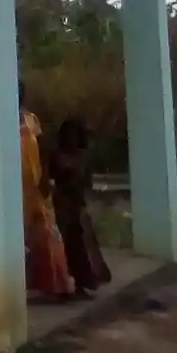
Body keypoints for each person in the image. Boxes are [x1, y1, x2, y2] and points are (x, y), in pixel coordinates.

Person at [19, 81, 75, 300]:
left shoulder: (31, 119)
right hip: (15, 186)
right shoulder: (0, 120)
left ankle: (57, 283)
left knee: (46, 229)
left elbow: (43, 150)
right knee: (22, 235)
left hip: (35, 184)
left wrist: (45, 177)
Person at [49, 117, 112, 297]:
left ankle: (82, 284)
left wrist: (84, 199)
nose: (72, 138)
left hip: (77, 203)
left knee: (83, 246)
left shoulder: (83, 156)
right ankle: (64, 284)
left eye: (75, 134)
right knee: (64, 245)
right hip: (61, 202)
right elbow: (50, 177)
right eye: (69, 134)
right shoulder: (57, 154)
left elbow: (87, 182)